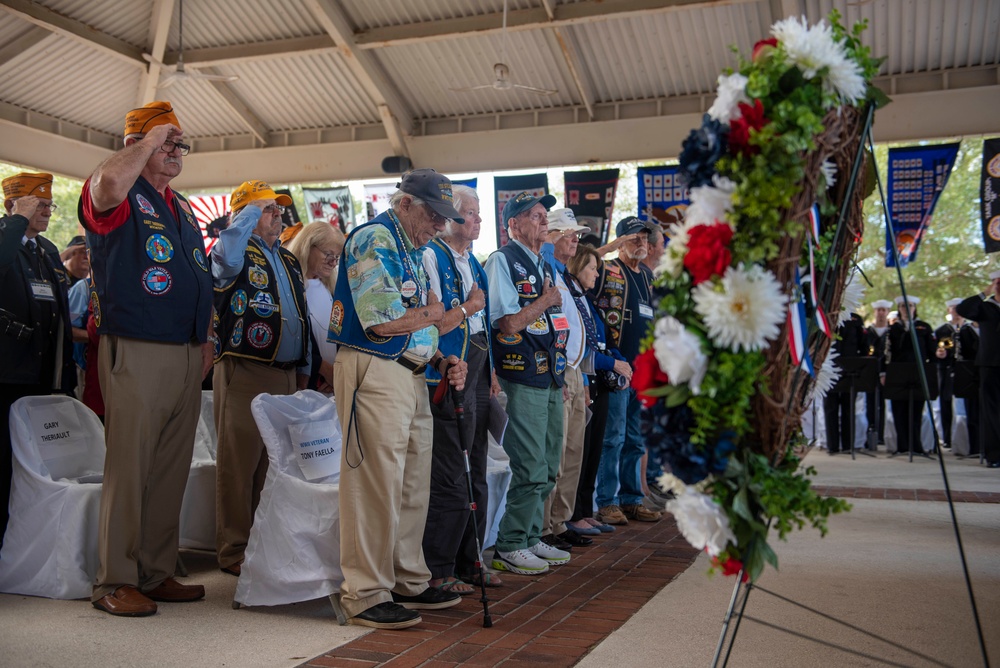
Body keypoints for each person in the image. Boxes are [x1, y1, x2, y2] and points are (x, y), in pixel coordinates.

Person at [82, 101, 213, 616]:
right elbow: (105, 188)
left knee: (169, 468)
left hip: (186, 351)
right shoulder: (118, 189)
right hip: (137, 347)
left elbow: (198, 277)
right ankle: (114, 579)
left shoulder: (179, 206)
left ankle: (156, 571)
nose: (177, 151)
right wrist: (147, 138)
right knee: (130, 466)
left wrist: (204, 341)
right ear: (138, 142)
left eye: (181, 144)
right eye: (168, 142)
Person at [328, 168, 468, 629]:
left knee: (411, 483)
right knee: (375, 482)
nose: (440, 226)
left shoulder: (413, 248)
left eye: (445, 218)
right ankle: (365, 593)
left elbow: (417, 322)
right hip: (375, 366)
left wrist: (440, 358)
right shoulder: (375, 238)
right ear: (405, 203)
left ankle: (408, 578)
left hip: (410, 373)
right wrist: (434, 312)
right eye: (433, 215)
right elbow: (383, 320)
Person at [211, 180, 311, 577]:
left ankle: (265, 540)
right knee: (239, 461)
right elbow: (223, 263)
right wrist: (247, 214)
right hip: (245, 367)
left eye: (278, 209)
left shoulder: (287, 259)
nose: (278, 215)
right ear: (247, 216)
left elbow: (300, 314)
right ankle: (233, 548)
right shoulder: (234, 250)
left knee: (275, 464)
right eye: (268, 209)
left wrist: (304, 367)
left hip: (286, 373)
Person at [485, 190, 572, 576]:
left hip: (550, 375)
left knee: (550, 462)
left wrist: (561, 373)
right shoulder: (502, 259)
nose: (542, 221)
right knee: (530, 463)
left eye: (543, 215)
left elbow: (551, 323)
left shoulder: (544, 262)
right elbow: (508, 322)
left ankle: (531, 535)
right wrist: (546, 300)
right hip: (521, 374)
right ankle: (509, 544)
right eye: (534, 215)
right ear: (513, 224)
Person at [420, 184, 497, 594]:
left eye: (480, 213)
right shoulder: (433, 256)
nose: (479, 220)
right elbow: (436, 324)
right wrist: (469, 306)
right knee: (451, 471)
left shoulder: (475, 261)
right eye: (472, 213)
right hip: (448, 371)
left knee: (478, 470)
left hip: (481, 368)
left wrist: (493, 373)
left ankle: (471, 558)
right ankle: (439, 566)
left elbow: (483, 324)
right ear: (451, 218)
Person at [0, 172, 75, 551]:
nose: (47, 210)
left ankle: (26, 549)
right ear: (14, 204)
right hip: (8, 376)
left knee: (38, 464)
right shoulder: (5, 237)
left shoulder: (45, 249)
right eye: (39, 204)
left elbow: (59, 311)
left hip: (43, 375)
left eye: (49, 205)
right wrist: (14, 220)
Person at [589, 216, 661, 525]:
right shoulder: (607, 269)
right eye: (633, 239)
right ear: (620, 242)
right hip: (617, 368)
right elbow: (583, 263)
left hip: (643, 370)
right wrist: (609, 248)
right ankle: (607, 501)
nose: (641, 244)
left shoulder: (646, 275)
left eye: (644, 239)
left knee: (637, 438)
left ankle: (632, 498)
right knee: (613, 437)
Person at [539, 208, 598, 550]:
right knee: (556, 453)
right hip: (558, 369)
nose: (575, 239)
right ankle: (546, 525)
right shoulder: (547, 264)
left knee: (573, 450)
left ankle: (560, 521)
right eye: (568, 233)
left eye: (576, 234)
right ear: (551, 237)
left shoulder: (565, 274)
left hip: (575, 369)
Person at [563, 244, 630, 537]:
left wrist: (621, 361)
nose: (596, 273)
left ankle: (585, 512)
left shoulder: (587, 301)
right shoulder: (571, 297)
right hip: (585, 377)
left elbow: (602, 339)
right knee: (580, 448)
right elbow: (581, 348)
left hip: (598, 380)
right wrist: (612, 362)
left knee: (593, 449)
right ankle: (574, 513)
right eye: (592, 267)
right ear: (578, 266)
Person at [287, 221, 345, 394]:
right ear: (307, 247)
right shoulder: (289, 285)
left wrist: (338, 375)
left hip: (334, 386)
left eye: (337, 257)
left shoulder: (333, 288)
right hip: (306, 386)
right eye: (328, 255)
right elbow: (290, 337)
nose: (333, 262)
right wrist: (323, 369)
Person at [880, 295, 935, 457]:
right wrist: (883, 373)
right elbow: (885, 353)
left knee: (916, 410)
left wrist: (931, 373)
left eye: (910, 306)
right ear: (899, 309)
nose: (906, 309)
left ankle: (916, 446)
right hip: (897, 373)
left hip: (918, 372)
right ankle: (902, 447)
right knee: (899, 410)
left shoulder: (924, 327)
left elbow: (931, 352)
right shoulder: (892, 329)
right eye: (903, 306)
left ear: (914, 308)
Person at [955, 272, 1000, 468]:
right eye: (997, 282)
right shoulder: (985, 307)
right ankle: (995, 455)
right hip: (989, 364)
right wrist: (985, 293)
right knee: (991, 412)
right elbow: (963, 309)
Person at [822, 312, 868, 454]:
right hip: (831, 367)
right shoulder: (828, 314)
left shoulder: (855, 319)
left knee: (849, 408)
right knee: (831, 408)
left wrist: (861, 365)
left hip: (850, 370)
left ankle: (848, 445)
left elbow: (864, 344)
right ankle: (833, 446)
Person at [934, 299, 961, 449]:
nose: (956, 311)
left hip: (963, 371)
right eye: (953, 308)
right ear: (948, 311)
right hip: (945, 370)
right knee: (945, 403)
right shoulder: (941, 331)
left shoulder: (967, 329)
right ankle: (947, 437)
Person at [865, 299, 892, 446]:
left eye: (884, 310)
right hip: (870, 373)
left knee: (883, 404)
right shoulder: (868, 332)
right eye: (878, 310)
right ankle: (871, 432)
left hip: (886, 374)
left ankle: (882, 433)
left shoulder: (891, 332)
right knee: (870, 403)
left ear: (887, 312)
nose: (881, 313)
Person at [956, 316, 980, 457]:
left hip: (990, 372)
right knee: (972, 414)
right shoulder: (965, 330)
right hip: (970, 374)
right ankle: (975, 448)